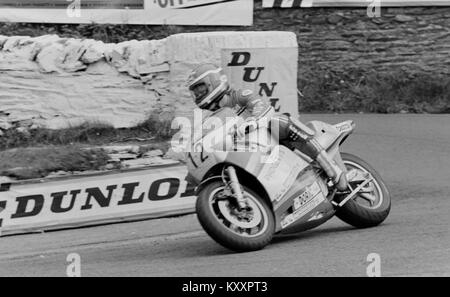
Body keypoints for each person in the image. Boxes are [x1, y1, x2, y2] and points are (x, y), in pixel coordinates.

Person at [186, 63, 348, 191]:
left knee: (278, 121)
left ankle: (330, 166)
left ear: (214, 81)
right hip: (248, 152)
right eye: (195, 92)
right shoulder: (211, 119)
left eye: (200, 88)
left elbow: (261, 105)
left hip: (269, 138)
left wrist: (253, 121)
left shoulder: (240, 95)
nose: (198, 94)